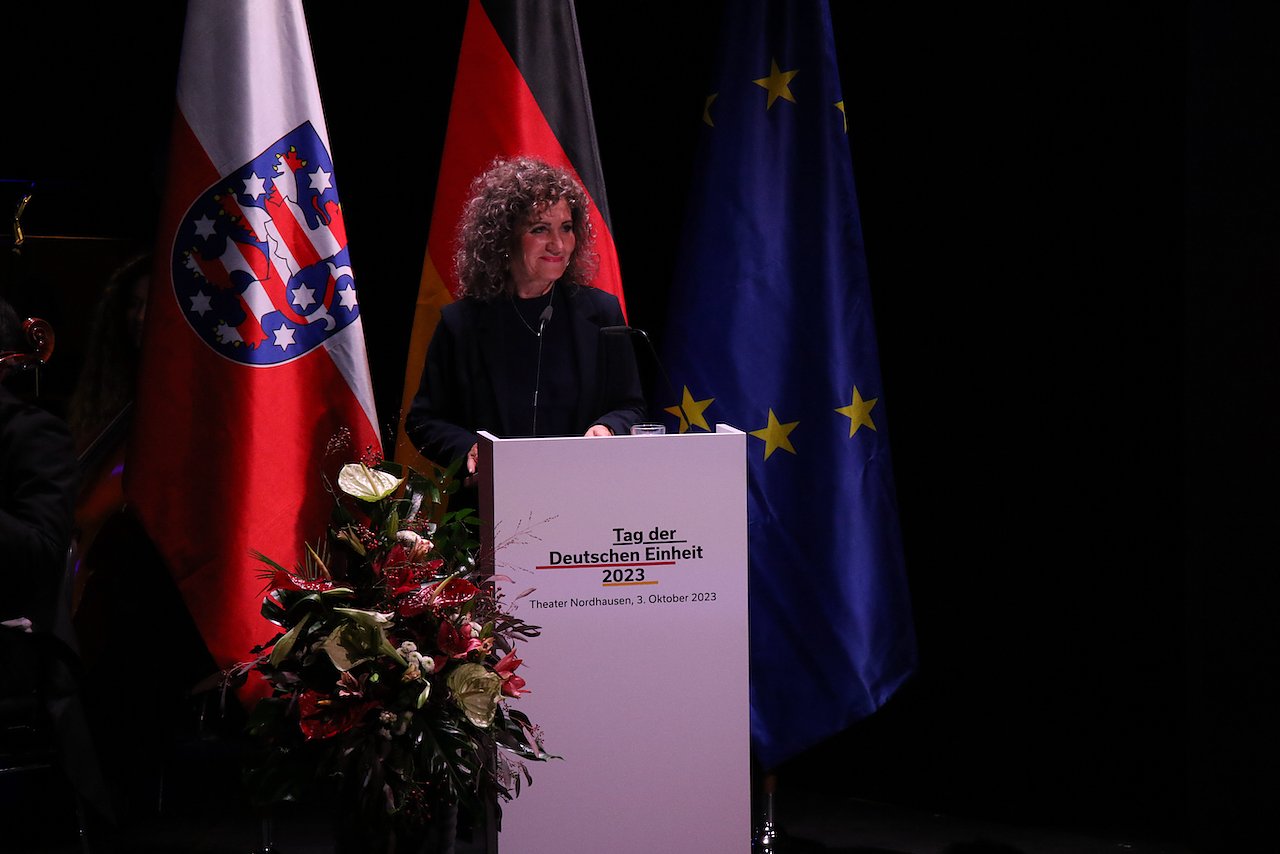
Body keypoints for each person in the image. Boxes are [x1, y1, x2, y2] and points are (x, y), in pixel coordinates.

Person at [405, 156, 644, 481]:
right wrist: (469, 449)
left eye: (566, 228)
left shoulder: (602, 313)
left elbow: (630, 406)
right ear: (504, 238)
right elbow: (424, 420)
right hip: (495, 496)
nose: (558, 244)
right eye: (539, 229)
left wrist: (608, 427)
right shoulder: (461, 324)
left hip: (586, 488)